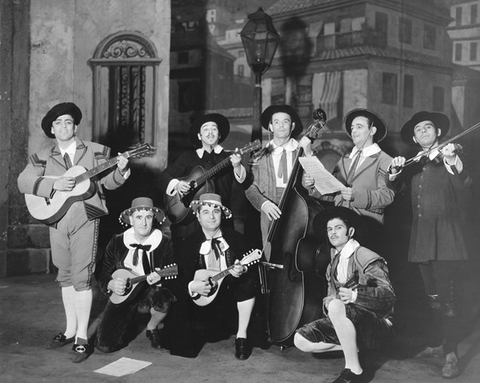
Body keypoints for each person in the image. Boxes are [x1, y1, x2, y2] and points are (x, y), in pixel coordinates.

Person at [17, 102, 130, 362]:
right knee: (64, 274)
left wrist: (122, 170)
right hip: (56, 218)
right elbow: (23, 181)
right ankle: (69, 329)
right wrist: (55, 184)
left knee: (81, 276)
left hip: (85, 217)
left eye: (68, 122)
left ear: (75, 126)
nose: (64, 126)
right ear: (52, 130)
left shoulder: (97, 151)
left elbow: (109, 184)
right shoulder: (43, 156)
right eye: (58, 123)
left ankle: (81, 336)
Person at [387, 111, 475, 379]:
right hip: (421, 238)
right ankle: (441, 343)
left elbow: (466, 187)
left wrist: (451, 159)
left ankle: (451, 355)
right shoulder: (414, 164)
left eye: (429, 127)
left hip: (447, 236)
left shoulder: (451, 157)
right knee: (433, 297)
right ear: (414, 138)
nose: (424, 131)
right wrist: (393, 172)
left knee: (448, 299)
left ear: (438, 133)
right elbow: (393, 190)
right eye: (419, 129)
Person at [294, 207, 395, 383]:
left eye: (338, 228)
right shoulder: (333, 264)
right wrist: (330, 300)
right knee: (300, 340)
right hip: (349, 321)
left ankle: (354, 370)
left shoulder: (365, 257)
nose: (333, 233)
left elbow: (388, 296)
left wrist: (356, 295)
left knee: (335, 306)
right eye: (329, 229)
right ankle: (353, 347)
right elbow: (332, 298)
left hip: (378, 324)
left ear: (350, 231)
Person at [163, 193, 257, 359]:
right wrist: (192, 286)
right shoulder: (187, 244)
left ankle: (241, 337)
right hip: (200, 305)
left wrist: (242, 270)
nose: (212, 216)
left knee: (247, 283)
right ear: (198, 216)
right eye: (205, 212)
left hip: (229, 303)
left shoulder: (236, 239)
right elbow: (175, 280)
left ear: (222, 215)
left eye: (216, 211)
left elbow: (252, 267)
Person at [301, 108, 395, 251]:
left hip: (368, 227)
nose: (354, 131)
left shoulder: (385, 160)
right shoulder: (344, 159)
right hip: (341, 229)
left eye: (359, 127)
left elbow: (387, 196)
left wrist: (357, 196)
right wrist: (314, 186)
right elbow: (332, 193)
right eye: (352, 127)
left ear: (372, 130)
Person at [95, 197, 177, 353]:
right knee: (104, 346)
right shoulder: (118, 241)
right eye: (139, 217)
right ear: (131, 220)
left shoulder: (164, 242)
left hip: (150, 290)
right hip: (125, 292)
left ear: (154, 220)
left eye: (148, 217)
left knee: (164, 298)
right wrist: (110, 284)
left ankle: (152, 327)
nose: (144, 222)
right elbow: (102, 270)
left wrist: (161, 280)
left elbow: (173, 272)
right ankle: (129, 323)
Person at [158, 113, 246, 247]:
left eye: (214, 129)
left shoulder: (229, 157)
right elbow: (163, 177)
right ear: (199, 136)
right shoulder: (188, 157)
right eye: (205, 129)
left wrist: (238, 165)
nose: (210, 133)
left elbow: (242, 181)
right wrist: (177, 185)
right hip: (189, 222)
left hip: (220, 218)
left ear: (219, 135)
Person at [245, 104, 312, 257]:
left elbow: (318, 185)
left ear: (292, 125)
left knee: (296, 253)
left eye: (285, 122)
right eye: (276, 122)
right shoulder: (259, 156)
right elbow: (250, 188)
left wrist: (310, 184)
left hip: (298, 209)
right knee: (270, 254)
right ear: (270, 126)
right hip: (269, 210)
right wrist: (264, 203)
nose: (281, 126)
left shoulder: (302, 152)